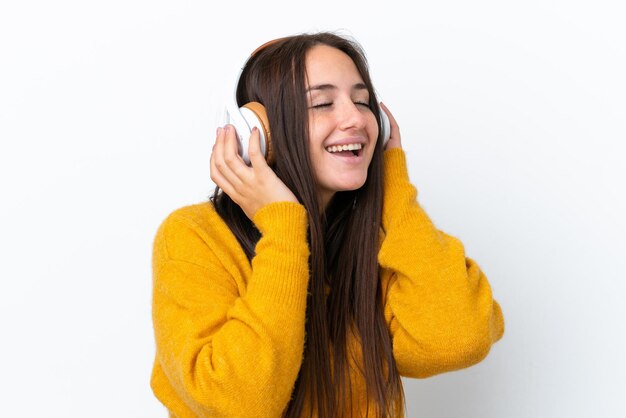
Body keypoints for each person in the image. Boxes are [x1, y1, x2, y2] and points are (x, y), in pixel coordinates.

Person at [150, 31, 505, 418]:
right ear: (258, 131)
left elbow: (457, 339)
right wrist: (283, 230)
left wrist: (395, 189)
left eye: (362, 101)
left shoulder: (379, 245)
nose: (355, 118)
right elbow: (240, 402)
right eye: (321, 103)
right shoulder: (193, 237)